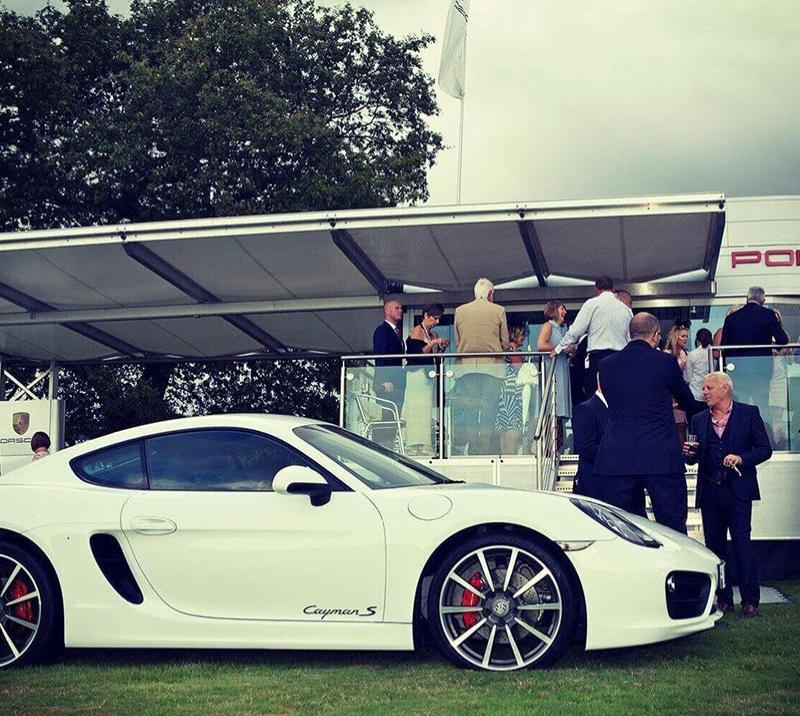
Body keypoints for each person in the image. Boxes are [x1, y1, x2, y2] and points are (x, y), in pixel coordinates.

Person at [594, 312, 697, 533]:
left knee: (622, 531)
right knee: (672, 529)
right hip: (660, 456)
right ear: (656, 335)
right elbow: (688, 401)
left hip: (618, 457)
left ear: (630, 334)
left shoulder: (606, 365)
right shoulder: (666, 363)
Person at [683, 372, 772, 618]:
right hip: (711, 493)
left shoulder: (748, 413)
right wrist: (689, 454)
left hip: (738, 493)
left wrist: (742, 459)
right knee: (715, 549)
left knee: (743, 546)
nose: (705, 391)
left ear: (725, 389)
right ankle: (724, 599)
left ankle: (750, 600)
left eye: (709, 387)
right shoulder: (699, 420)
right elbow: (692, 460)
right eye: (703, 387)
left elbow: (765, 449)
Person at [453, 278, 509, 454]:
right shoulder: (499, 310)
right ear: (490, 294)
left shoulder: (460, 311)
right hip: (492, 368)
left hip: (466, 368)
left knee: (470, 409)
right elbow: (505, 342)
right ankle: (484, 448)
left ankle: (473, 447)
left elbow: (458, 340)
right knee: (488, 409)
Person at [554, 276, 632, 397]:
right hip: (619, 357)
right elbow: (630, 338)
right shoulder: (626, 309)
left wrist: (558, 348)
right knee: (618, 395)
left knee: (596, 396)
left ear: (596, 289)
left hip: (597, 357)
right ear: (613, 288)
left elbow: (576, 330)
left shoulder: (591, 304)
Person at [720, 286, 788, 413]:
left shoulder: (731, 318)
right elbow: (782, 339)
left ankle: (741, 432)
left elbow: (724, 345)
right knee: (762, 405)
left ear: (747, 298)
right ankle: (763, 431)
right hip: (761, 369)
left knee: (739, 406)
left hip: (737, 370)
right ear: (763, 300)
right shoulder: (768, 315)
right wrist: (776, 348)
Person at [404, 303, 448, 455]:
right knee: (416, 409)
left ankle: (424, 444)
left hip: (428, 376)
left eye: (438, 319)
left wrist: (441, 348)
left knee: (425, 409)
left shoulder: (433, 334)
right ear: (426, 316)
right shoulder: (417, 330)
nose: (437, 322)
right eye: (435, 318)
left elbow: (434, 358)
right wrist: (433, 343)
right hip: (416, 375)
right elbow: (416, 354)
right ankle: (414, 445)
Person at [537, 301, 572, 448]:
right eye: (562, 308)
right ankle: (552, 447)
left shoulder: (561, 330)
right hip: (554, 373)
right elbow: (541, 345)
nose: (565, 311)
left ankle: (557, 447)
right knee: (554, 408)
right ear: (554, 310)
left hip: (561, 372)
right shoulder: (549, 326)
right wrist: (562, 348)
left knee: (558, 411)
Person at [372, 298, 406, 448]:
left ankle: (388, 447)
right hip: (387, 384)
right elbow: (380, 355)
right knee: (387, 418)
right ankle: (381, 448)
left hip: (397, 384)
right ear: (387, 311)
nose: (401, 310)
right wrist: (383, 380)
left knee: (393, 418)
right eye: (397, 308)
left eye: (401, 308)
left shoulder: (396, 332)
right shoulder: (382, 330)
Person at [572, 378, 609, 501]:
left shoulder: (619, 409)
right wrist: (619, 452)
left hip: (613, 486)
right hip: (594, 487)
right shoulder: (585, 409)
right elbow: (586, 448)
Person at [495, 322, 527, 455]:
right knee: (512, 426)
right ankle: (510, 461)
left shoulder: (504, 352)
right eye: (521, 334)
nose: (524, 337)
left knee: (504, 433)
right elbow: (519, 369)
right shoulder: (512, 352)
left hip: (503, 392)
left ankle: (506, 460)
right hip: (512, 393)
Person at [662, 324, 692, 446]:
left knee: (682, 426)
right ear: (676, 337)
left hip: (681, 392)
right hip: (670, 394)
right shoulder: (667, 354)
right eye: (683, 336)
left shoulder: (685, 353)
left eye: (687, 337)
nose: (685, 339)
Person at [687, 328, 714, 407]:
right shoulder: (714, 353)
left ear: (697, 340)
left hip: (695, 394)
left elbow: (688, 378)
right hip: (711, 394)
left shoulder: (692, 354)